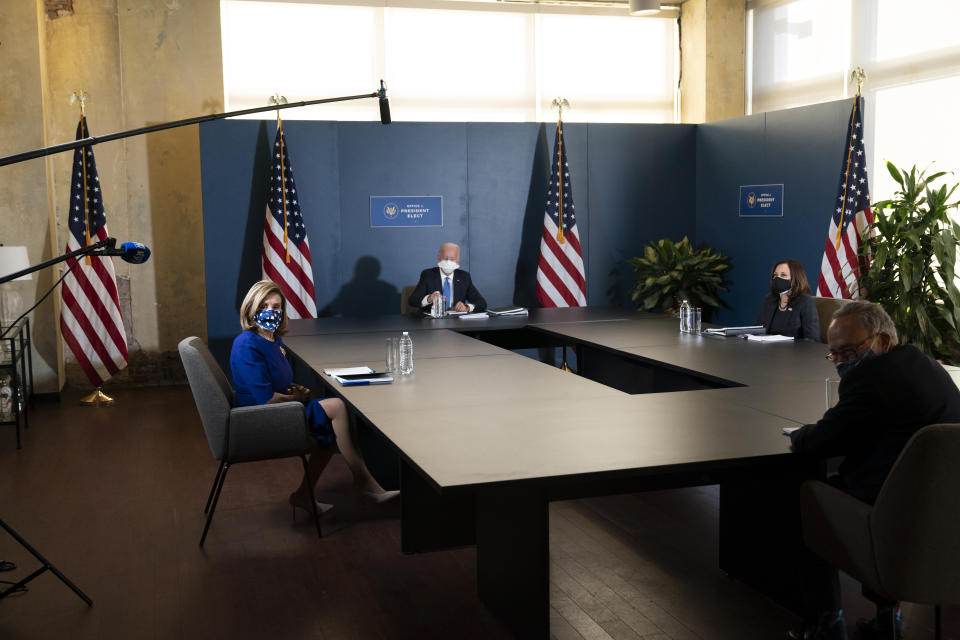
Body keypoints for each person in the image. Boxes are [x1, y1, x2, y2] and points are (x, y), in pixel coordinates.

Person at [786, 301, 960, 640]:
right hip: (946, 515)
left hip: (891, 518)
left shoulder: (870, 379)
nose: (842, 362)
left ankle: (826, 622)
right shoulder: (924, 364)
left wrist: (800, 434)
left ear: (882, 340)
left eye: (849, 351)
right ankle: (886, 615)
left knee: (808, 494)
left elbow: (818, 442)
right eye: (834, 354)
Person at [230, 280, 397, 518]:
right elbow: (265, 400)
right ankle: (364, 483)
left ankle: (305, 494)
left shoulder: (274, 340)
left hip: (278, 411)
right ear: (250, 309)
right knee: (337, 406)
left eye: (276, 307)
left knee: (330, 424)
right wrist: (298, 397)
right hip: (258, 419)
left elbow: (276, 382)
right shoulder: (247, 344)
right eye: (263, 305)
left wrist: (297, 390)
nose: (270, 311)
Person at [408, 242, 487, 314]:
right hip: (431, 321)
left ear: (458, 261)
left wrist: (466, 307)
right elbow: (412, 301)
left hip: (457, 322)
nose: (449, 262)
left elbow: (481, 303)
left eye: (452, 259)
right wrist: (429, 298)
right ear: (439, 259)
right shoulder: (428, 275)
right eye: (445, 258)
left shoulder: (464, 277)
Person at [755, 259, 820, 341]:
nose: (778, 279)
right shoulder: (770, 299)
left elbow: (813, 340)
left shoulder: (805, 302)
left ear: (795, 278)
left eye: (783, 275)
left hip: (794, 352)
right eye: (775, 275)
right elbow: (758, 331)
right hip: (767, 351)